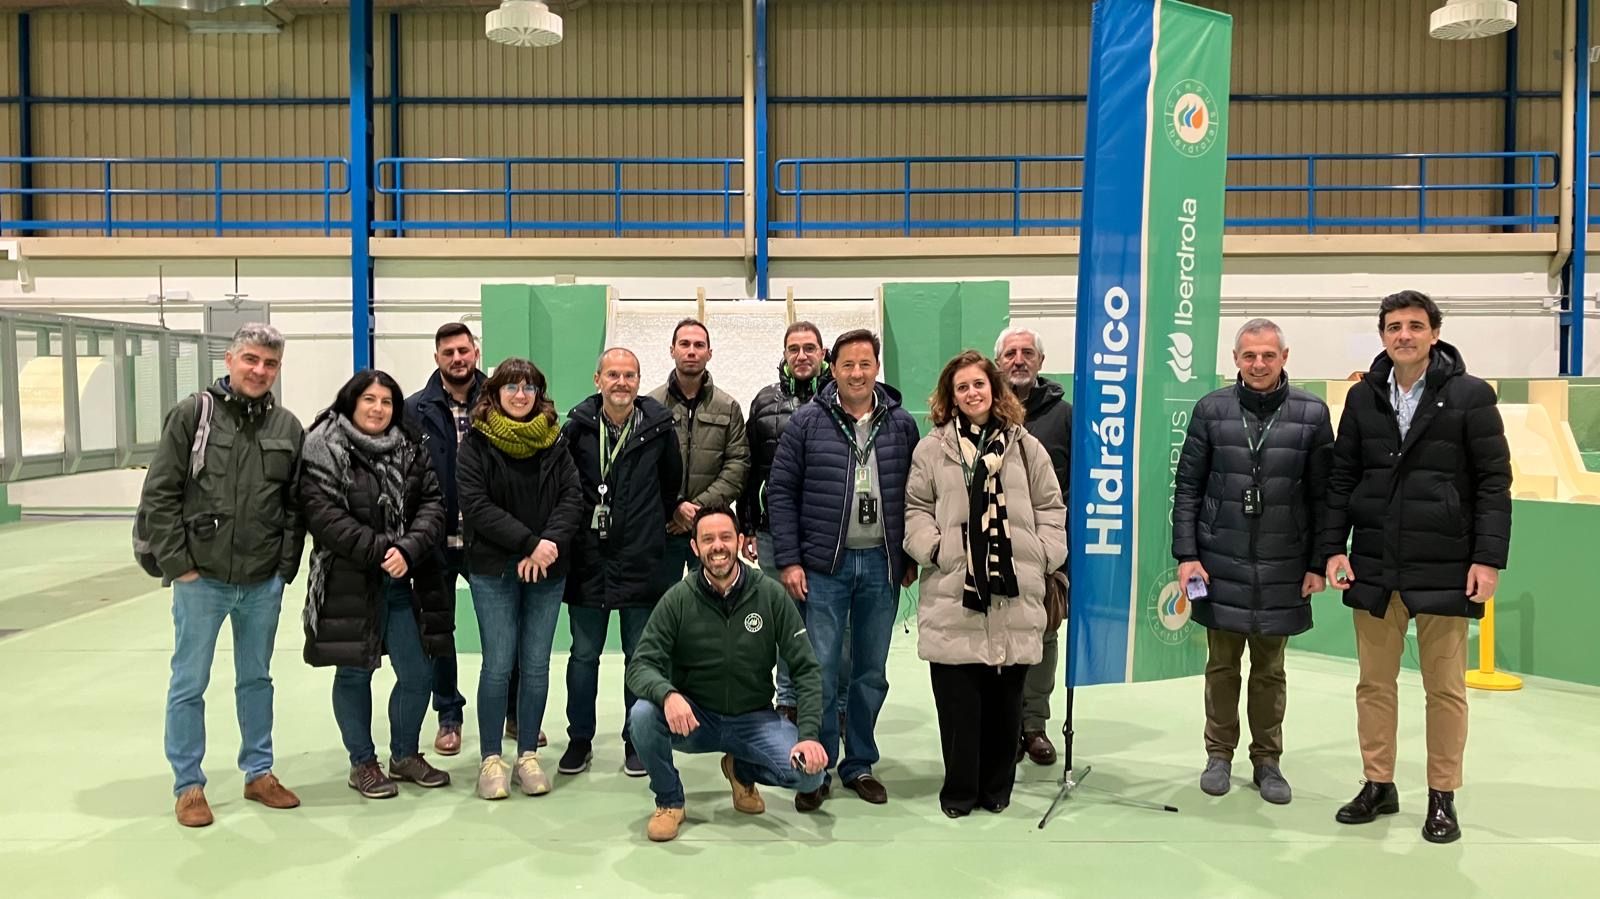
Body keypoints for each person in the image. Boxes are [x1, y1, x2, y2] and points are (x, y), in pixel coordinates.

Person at [1322, 290, 1511, 844]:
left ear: (1434, 333)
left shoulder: (1471, 396)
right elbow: (1341, 479)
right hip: (1375, 565)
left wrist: (1487, 558)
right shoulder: (1362, 400)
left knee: (1445, 689)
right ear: (1382, 335)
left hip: (1446, 565)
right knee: (1374, 687)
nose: (1403, 335)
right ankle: (1378, 784)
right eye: (1394, 326)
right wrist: (1334, 547)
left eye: (1415, 325)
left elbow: (1494, 483)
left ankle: (1441, 796)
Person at [137, 323, 306, 827]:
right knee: (190, 681)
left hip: (262, 581)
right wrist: (178, 566)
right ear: (230, 359)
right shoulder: (193, 415)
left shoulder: (288, 427)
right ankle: (189, 785)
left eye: (270, 364)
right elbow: (160, 494)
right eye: (251, 359)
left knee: (257, 679)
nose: (259, 371)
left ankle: (259, 772)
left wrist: (284, 567)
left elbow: (296, 506)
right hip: (201, 579)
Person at [1171, 319, 1333, 805]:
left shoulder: (1313, 413)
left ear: (1285, 356)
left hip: (1285, 564)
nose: (1258, 364)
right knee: (1221, 666)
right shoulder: (1210, 410)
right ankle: (1218, 754)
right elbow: (1187, 490)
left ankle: (1268, 761)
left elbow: (1326, 496)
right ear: (1236, 360)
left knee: (1270, 669)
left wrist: (1318, 562)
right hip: (1219, 562)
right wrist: (1187, 556)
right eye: (1249, 356)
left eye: (1267, 355)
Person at [904, 350, 1067, 817]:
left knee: (1005, 705)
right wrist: (936, 550)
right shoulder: (931, 449)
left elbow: (1052, 509)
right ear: (950, 397)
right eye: (962, 387)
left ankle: (997, 789)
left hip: (1015, 591)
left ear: (994, 389)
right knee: (959, 707)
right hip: (954, 592)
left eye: (979, 384)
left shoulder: (1026, 447)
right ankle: (959, 792)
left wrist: (1043, 554)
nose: (972, 393)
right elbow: (915, 509)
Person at [767, 328, 920, 809]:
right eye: (848, 365)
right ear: (833, 369)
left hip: (881, 563)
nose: (857, 373)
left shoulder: (901, 424)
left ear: (877, 367)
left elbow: (917, 496)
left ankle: (860, 763)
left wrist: (909, 557)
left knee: (870, 671)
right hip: (825, 568)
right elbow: (781, 493)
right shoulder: (809, 422)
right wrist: (790, 560)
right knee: (822, 670)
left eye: (865, 364)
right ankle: (818, 768)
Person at [625, 504, 828, 842]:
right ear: (695, 548)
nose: (717, 546)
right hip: (696, 719)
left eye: (724, 537)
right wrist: (669, 694)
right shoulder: (677, 600)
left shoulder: (770, 595)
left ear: (739, 541)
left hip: (753, 720)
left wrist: (808, 734)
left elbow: (806, 668)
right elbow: (640, 665)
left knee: (811, 778)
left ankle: (741, 770)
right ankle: (670, 801)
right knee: (643, 715)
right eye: (707, 539)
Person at [300, 369, 454, 799]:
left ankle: (404, 755)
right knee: (354, 673)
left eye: (386, 401)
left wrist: (408, 550)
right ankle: (362, 763)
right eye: (369, 399)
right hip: (348, 580)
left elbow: (432, 505)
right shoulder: (322, 446)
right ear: (351, 401)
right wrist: (381, 549)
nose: (378, 408)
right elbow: (323, 515)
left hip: (404, 582)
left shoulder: (409, 447)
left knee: (418, 673)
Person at [458, 358, 585, 799]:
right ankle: (491, 759)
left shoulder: (554, 440)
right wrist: (530, 543)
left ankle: (527, 754)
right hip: (494, 569)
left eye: (528, 387)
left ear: (539, 394)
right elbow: (475, 505)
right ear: (495, 393)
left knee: (535, 665)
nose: (520, 394)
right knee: (497, 665)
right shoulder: (475, 442)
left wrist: (547, 544)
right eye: (511, 387)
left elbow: (573, 497)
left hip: (547, 569)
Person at [560, 348, 683, 779]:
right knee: (584, 655)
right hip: (588, 560)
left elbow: (672, 485)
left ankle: (636, 740)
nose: (621, 383)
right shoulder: (576, 429)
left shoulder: (658, 427)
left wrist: (647, 525)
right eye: (613, 374)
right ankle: (580, 739)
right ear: (598, 379)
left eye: (629, 375)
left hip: (640, 558)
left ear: (638, 380)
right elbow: (566, 488)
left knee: (639, 656)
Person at [742, 321, 849, 727]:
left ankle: (835, 702)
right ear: (784, 355)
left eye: (809, 348)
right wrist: (748, 523)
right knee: (788, 622)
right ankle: (788, 700)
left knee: (833, 623)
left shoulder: (842, 401)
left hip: (829, 532)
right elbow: (751, 469)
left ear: (823, 354)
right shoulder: (764, 402)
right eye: (793, 349)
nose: (801, 355)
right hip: (775, 532)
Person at [407, 323, 498, 757]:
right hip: (435, 541)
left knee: (501, 631)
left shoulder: (501, 403)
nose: (457, 358)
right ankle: (448, 715)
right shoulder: (414, 411)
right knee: (439, 632)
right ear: (437, 357)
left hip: (489, 540)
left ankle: (512, 713)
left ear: (476, 352)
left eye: (464, 350)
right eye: (448, 352)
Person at [994, 325, 1072, 766]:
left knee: (1042, 638)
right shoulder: (982, 412)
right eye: (1010, 353)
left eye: (1027, 353)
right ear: (998, 361)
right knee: (994, 638)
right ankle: (1001, 724)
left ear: (1040, 362)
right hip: (992, 549)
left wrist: (1061, 552)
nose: (1019, 359)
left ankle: (1034, 725)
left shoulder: (1065, 416)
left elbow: (1076, 487)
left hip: (1045, 554)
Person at [647, 318, 750, 589]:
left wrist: (697, 511)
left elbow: (737, 466)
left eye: (698, 345)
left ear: (709, 353)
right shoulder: (650, 406)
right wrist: (676, 507)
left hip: (712, 531)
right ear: (672, 350)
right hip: (662, 528)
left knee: (710, 610)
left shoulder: (728, 407)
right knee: (659, 611)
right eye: (684, 344)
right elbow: (644, 467)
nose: (691, 351)